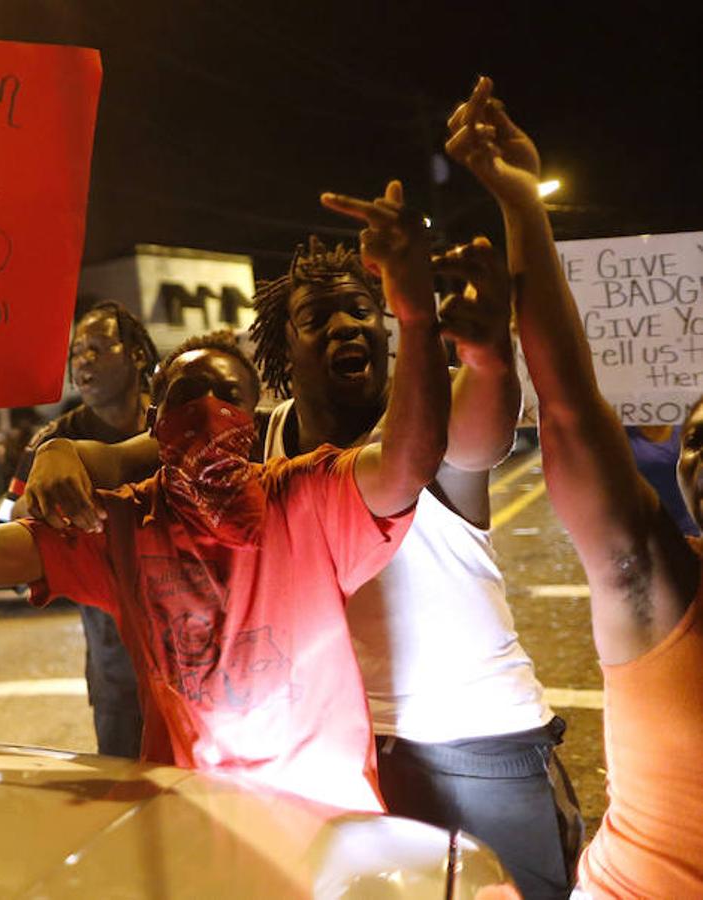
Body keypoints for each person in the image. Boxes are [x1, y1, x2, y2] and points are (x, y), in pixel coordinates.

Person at [0, 178, 451, 811]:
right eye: (189, 399)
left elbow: (408, 462)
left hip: (324, 813)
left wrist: (416, 313)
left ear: (255, 419)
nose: (211, 413)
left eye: (230, 398)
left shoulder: (304, 497)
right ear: (157, 423)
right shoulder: (124, 527)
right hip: (196, 813)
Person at [245, 236, 581, 898]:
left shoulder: (434, 405)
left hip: (476, 745)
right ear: (284, 350)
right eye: (318, 318)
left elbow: (483, 432)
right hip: (342, 750)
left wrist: (488, 356)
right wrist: (60, 450)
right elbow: (144, 451)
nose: (345, 325)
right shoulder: (265, 435)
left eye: (361, 312)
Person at [446, 76, 703, 897]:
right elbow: (568, 412)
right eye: (695, 438)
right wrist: (524, 210)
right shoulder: (666, 590)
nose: (701, 454)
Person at [0, 300, 160, 758]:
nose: (82, 362)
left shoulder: (174, 420)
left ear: (137, 355)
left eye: (97, 347)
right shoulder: (52, 440)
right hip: (117, 675)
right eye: (76, 353)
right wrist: (45, 502)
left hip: (201, 660)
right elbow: (8, 524)